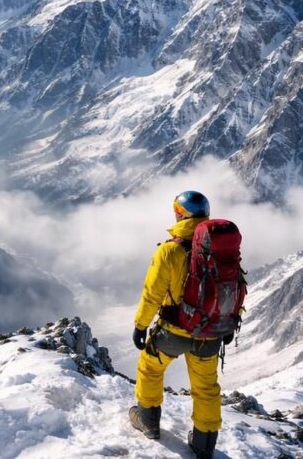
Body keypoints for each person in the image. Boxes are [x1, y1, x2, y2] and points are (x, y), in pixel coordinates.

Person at [128, 190, 226, 459]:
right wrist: (228, 323)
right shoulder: (220, 248)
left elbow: (152, 294)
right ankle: (204, 444)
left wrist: (140, 325)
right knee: (206, 387)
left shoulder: (169, 250)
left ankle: (148, 421)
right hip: (210, 333)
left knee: (149, 367)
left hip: (173, 332)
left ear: (181, 214)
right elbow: (233, 285)